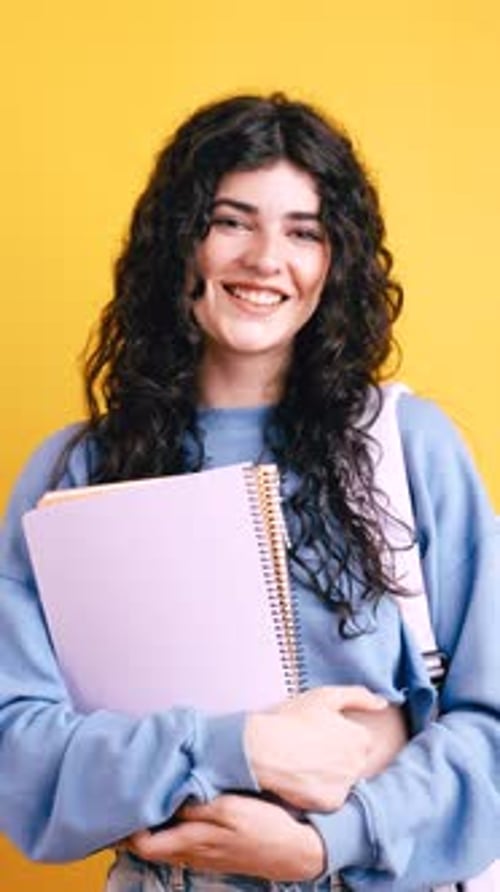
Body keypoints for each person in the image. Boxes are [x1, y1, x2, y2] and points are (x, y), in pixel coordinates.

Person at [0, 93, 498, 892]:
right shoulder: (76, 475)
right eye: (231, 220)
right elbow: (18, 754)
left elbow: (492, 723)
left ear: (335, 261)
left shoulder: (410, 449)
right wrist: (243, 748)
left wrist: (325, 844)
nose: (266, 259)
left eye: (304, 231)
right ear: (181, 242)